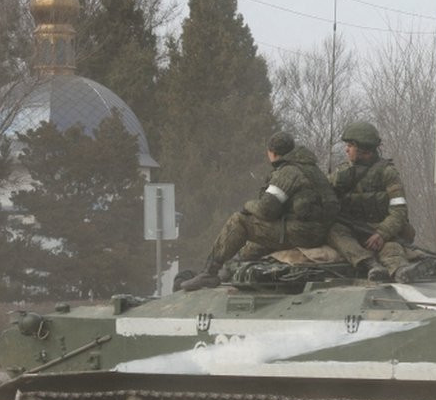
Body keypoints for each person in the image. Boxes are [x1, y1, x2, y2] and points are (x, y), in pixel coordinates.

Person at [180, 132, 339, 291]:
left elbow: (266, 210)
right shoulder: (311, 168)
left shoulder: (288, 172)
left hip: (302, 232)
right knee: (254, 243)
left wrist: (248, 205)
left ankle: (209, 273)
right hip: (316, 231)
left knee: (239, 221)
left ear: (272, 153)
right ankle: (228, 271)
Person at [327, 121, 420, 283]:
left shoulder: (387, 173)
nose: (346, 149)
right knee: (334, 231)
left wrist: (382, 234)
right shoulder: (341, 173)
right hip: (352, 231)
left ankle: (400, 270)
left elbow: (399, 211)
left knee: (391, 249)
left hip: (380, 230)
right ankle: (370, 265)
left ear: (364, 149)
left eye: (350, 145)